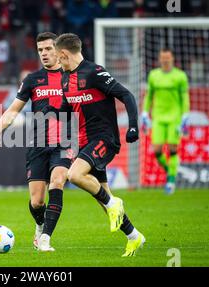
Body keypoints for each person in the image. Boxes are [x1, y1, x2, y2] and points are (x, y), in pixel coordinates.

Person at [53, 33, 145, 257]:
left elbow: (126, 95)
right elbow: (67, 110)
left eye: (57, 56)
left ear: (64, 54)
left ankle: (115, 202)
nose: (57, 60)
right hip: (85, 142)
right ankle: (134, 236)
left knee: (74, 176)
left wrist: (133, 126)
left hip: (105, 139)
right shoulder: (65, 79)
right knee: (103, 199)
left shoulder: (94, 72)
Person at [0, 32, 71, 252]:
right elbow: (14, 109)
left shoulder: (72, 76)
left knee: (57, 181)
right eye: (40, 50)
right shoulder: (32, 79)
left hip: (64, 143)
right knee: (37, 202)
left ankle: (45, 239)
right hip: (37, 144)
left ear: (58, 49)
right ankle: (39, 225)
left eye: (48, 49)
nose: (44, 54)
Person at [141, 48, 190, 194]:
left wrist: (185, 115)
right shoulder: (154, 75)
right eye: (163, 58)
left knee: (173, 149)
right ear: (160, 59)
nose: (165, 60)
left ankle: (171, 181)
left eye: (168, 57)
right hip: (158, 118)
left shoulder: (180, 76)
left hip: (174, 117)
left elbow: (185, 97)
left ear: (172, 58)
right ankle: (170, 171)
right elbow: (149, 96)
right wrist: (145, 112)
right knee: (156, 150)